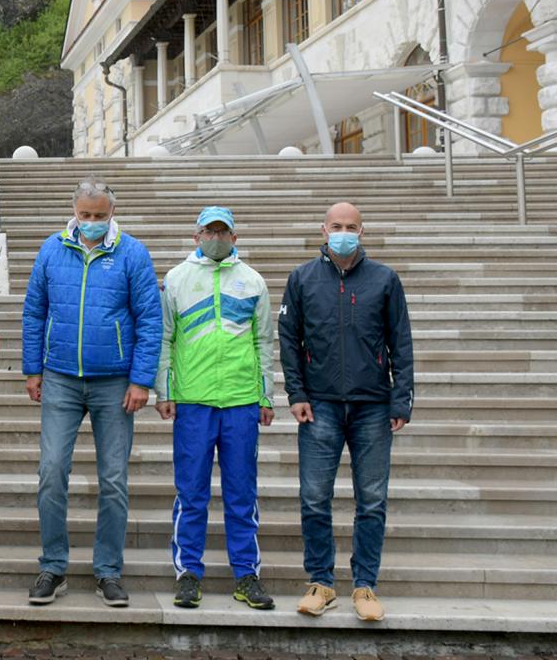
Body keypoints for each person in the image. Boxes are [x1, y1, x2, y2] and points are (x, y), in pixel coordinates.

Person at [21, 181, 163, 608]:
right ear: (74, 210)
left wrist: (141, 380)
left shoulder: (133, 253)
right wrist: (32, 368)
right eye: (86, 215)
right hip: (61, 377)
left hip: (115, 382)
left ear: (112, 212)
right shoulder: (51, 250)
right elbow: (33, 310)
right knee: (50, 473)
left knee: (114, 480)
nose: (93, 223)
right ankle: (53, 566)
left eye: (100, 216)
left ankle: (108, 571)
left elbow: (149, 319)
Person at [277, 202, 414, 621]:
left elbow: (401, 342)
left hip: (373, 405)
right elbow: (288, 340)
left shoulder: (385, 279)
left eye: (350, 226)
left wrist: (401, 398)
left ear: (362, 230)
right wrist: (296, 393)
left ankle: (364, 586)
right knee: (315, 497)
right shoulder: (302, 279)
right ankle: (320, 582)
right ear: (323, 229)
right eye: (336, 226)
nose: (343, 232)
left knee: (371, 500)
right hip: (319, 405)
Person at [155, 207, 275, 611]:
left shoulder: (253, 281)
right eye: (210, 230)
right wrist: (164, 390)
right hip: (193, 402)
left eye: (223, 231)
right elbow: (165, 339)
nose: (217, 237)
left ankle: (246, 574)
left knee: (242, 493)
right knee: (192, 492)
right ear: (196, 236)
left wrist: (266, 395)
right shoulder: (176, 279)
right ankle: (188, 573)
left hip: (241, 402)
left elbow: (263, 342)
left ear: (235, 237)